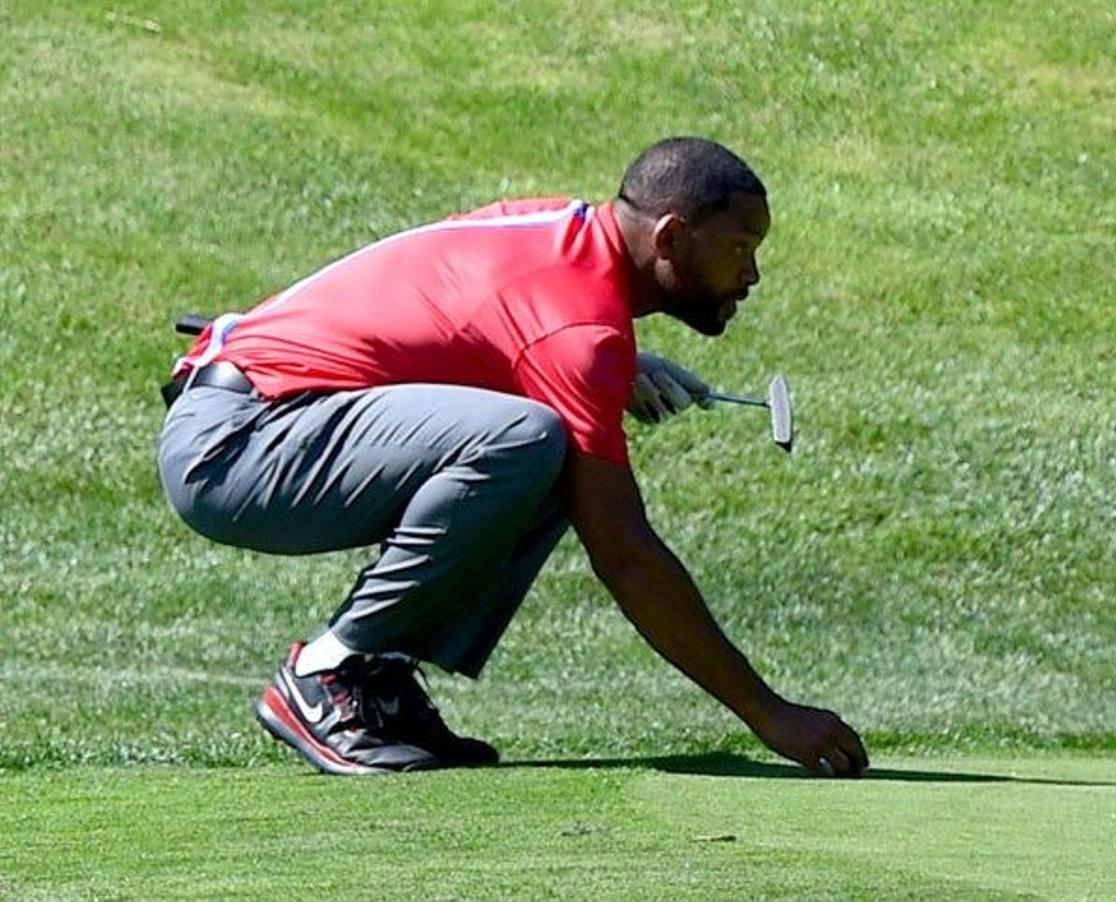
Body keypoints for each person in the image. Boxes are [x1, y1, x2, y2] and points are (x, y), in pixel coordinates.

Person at [157, 136, 869, 777]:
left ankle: (379, 678)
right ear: (672, 237)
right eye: (741, 248)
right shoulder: (577, 332)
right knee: (529, 440)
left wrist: (616, 362)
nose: (752, 277)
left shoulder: (558, 230)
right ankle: (328, 674)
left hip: (259, 416)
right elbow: (624, 553)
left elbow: (463, 312)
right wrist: (768, 713)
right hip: (238, 443)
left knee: (545, 443)